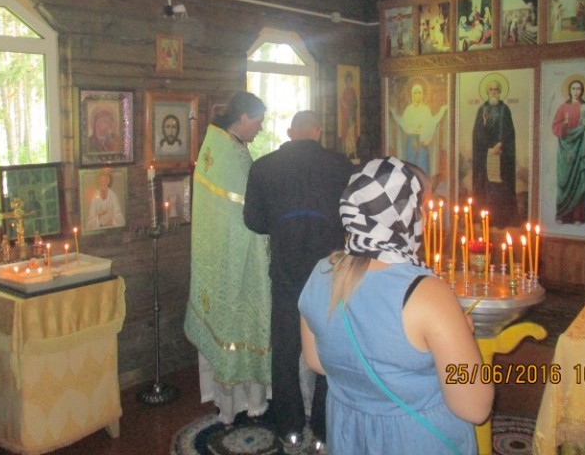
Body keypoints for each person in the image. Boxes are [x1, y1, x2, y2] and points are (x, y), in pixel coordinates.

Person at [299, 157, 494, 454]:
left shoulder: (322, 272)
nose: (426, 218)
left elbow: (317, 361)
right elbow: (475, 407)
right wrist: (461, 340)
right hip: (416, 439)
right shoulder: (427, 294)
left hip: (350, 433)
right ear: (405, 215)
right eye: (422, 208)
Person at [244, 110, 354, 450]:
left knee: (285, 347)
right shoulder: (341, 166)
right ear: (318, 131)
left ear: (291, 131)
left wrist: (283, 226)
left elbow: (252, 220)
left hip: (286, 268)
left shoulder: (263, 166)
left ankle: (289, 425)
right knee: (329, 343)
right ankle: (323, 427)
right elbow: (352, 215)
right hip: (329, 269)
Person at [184, 91, 272, 425]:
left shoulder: (216, 144)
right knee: (240, 321)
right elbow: (248, 213)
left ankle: (228, 405)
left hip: (217, 255)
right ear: (244, 117)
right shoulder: (231, 154)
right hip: (238, 260)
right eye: (258, 122)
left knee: (228, 323)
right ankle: (248, 403)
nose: (260, 129)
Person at [472, 78, 519, 228]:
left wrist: (500, 144)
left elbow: (509, 131)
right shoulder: (482, 109)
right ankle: (485, 219)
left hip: (501, 155)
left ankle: (500, 220)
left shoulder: (505, 109)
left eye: (496, 89)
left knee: (500, 187)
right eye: (491, 89)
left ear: (500, 91)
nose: (493, 92)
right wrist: (487, 148)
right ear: (487, 92)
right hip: (486, 156)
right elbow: (477, 133)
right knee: (486, 187)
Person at [552, 78, 585, 224]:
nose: (576, 92)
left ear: (582, 91)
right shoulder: (563, 108)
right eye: (573, 89)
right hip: (566, 150)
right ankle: (563, 215)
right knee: (564, 181)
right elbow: (555, 127)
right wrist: (564, 124)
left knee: (580, 181)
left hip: (581, 147)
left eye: (578, 89)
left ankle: (578, 216)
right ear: (569, 90)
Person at [390, 82, 447, 177]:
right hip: (411, 140)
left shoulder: (425, 109)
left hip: (422, 140)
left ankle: (423, 183)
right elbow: (403, 123)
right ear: (412, 95)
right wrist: (394, 113)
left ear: (422, 94)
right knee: (411, 164)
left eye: (419, 93)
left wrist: (442, 111)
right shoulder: (409, 109)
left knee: (422, 163)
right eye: (415, 93)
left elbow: (431, 123)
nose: (417, 95)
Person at [339, 71, 359, 159]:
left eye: (350, 81)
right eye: (347, 81)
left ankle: (354, 152)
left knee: (352, 134)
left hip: (352, 116)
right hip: (347, 116)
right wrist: (345, 106)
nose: (348, 82)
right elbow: (342, 102)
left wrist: (354, 103)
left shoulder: (353, 91)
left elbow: (356, 103)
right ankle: (347, 151)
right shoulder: (344, 91)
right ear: (346, 82)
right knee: (347, 134)